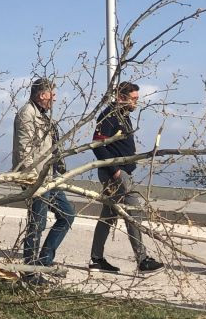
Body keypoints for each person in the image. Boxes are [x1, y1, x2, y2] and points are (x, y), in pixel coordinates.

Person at [89, 82, 164, 273]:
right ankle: (142, 259)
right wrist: (115, 170)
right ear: (121, 97)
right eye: (134, 99)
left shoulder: (123, 116)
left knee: (109, 215)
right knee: (134, 211)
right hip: (115, 173)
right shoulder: (109, 115)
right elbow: (97, 144)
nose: (136, 103)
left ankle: (96, 259)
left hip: (122, 172)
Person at [12, 78, 75, 267]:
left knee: (67, 215)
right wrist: (31, 177)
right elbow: (24, 149)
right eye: (52, 95)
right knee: (37, 224)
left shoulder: (44, 115)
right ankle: (30, 268)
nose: (54, 99)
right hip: (37, 177)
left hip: (50, 176)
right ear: (42, 95)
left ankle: (44, 259)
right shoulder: (27, 114)